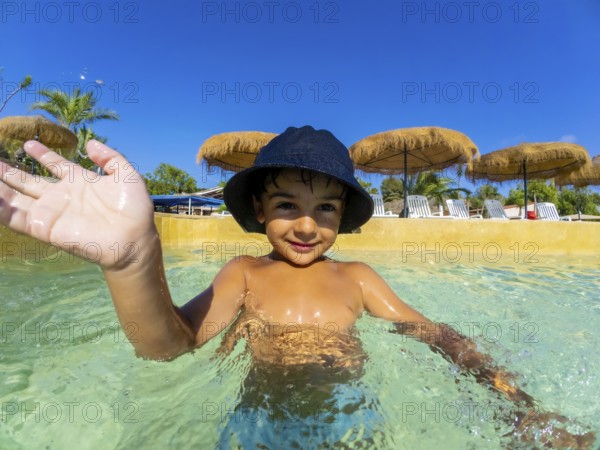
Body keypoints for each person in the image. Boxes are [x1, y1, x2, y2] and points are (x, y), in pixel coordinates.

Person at [0, 126, 594, 448]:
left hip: (351, 423)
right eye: (287, 204)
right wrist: (131, 263)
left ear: (344, 216)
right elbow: (168, 346)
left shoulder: (357, 279)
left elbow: (430, 332)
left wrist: (517, 402)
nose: (308, 225)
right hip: (256, 427)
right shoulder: (243, 274)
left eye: (327, 209)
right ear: (258, 208)